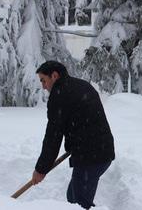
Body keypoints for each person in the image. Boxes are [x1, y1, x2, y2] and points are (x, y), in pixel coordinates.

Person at [31, 61, 115, 209]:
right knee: (73, 197)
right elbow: (84, 120)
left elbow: (53, 136)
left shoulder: (59, 96)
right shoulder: (81, 85)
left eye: (44, 80)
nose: (43, 86)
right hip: (101, 151)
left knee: (79, 204)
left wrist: (41, 169)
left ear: (54, 76)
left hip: (90, 156)